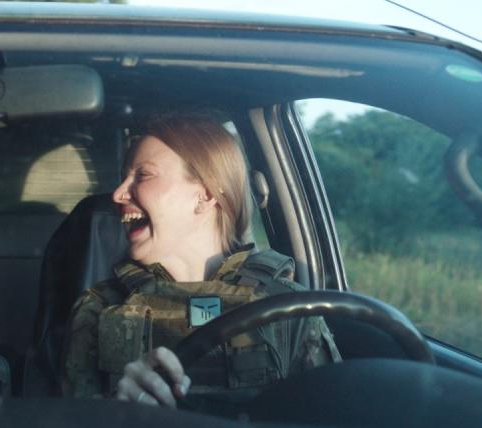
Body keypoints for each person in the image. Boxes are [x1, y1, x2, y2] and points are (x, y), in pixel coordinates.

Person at [62, 115, 339, 406]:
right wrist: (115, 409)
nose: (118, 194)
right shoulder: (98, 308)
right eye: (123, 177)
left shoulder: (288, 307)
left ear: (205, 194)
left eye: (142, 175)